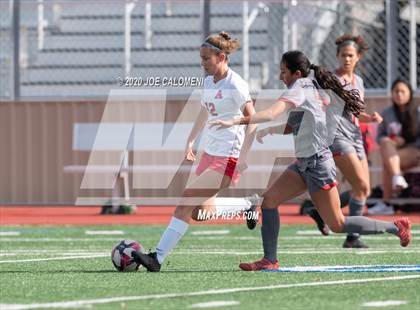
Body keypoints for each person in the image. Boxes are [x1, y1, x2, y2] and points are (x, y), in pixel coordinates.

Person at [210, 50, 411, 271]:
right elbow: (291, 125)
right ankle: (270, 260)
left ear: (297, 73)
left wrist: (236, 121)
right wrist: (269, 132)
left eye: (283, 71)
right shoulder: (309, 87)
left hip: (316, 164)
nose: (280, 77)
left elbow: (270, 113)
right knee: (269, 201)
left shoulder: (300, 87)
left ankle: (395, 227)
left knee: (338, 224)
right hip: (304, 163)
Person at [131, 32, 258, 272]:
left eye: (206, 58)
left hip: (227, 157)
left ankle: (156, 258)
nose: (202, 63)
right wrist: (190, 140)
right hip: (208, 153)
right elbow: (204, 111)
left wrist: (244, 156)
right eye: (201, 58)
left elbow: (254, 120)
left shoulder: (236, 84)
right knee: (200, 213)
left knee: (184, 203)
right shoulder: (209, 81)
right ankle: (247, 205)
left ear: (221, 57)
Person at [300, 34, 383, 248]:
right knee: (361, 185)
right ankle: (352, 236)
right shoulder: (331, 80)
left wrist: (370, 118)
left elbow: (356, 111)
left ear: (358, 58)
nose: (347, 59)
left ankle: (320, 212)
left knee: (363, 190)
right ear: (337, 56)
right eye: (343, 55)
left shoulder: (359, 82)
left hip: (355, 137)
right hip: (337, 137)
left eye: (351, 55)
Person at [368, 79, 420, 215]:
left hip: (415, 151)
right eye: (396, 91)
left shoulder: (417, 112)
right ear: (392, 94)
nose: (399, 94)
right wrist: (393, 141)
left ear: (410, 93)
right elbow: (379, 137)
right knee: (385, 143)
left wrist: (403, 141)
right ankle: (397, 177)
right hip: (393, 152)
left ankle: (387, 203)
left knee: (388, 161)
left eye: (403, 91)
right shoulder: (387, 113)